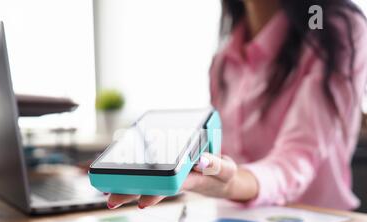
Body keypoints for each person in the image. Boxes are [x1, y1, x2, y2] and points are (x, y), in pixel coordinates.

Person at [107, 0, 367, 211]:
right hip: (231, 221)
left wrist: (230, 183)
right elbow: (221, 154)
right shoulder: (223, 60)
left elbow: (296, 159)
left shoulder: (336, 30)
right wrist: (191, 168)